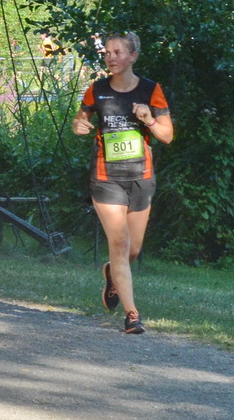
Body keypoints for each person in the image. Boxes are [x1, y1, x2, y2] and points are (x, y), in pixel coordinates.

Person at [72, 31, 173, 335]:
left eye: (118, 53)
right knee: (119, 243)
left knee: (133, 249)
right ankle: (132, 314)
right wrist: (79, 126)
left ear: (133, 57)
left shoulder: (150, 90)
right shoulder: (97, 90)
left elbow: (167, 136)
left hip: (140, 177)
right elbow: (81, 121)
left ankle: (111, 275)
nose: (111, 58)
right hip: (106, 178)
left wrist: (149, 120)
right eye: (108, 53)